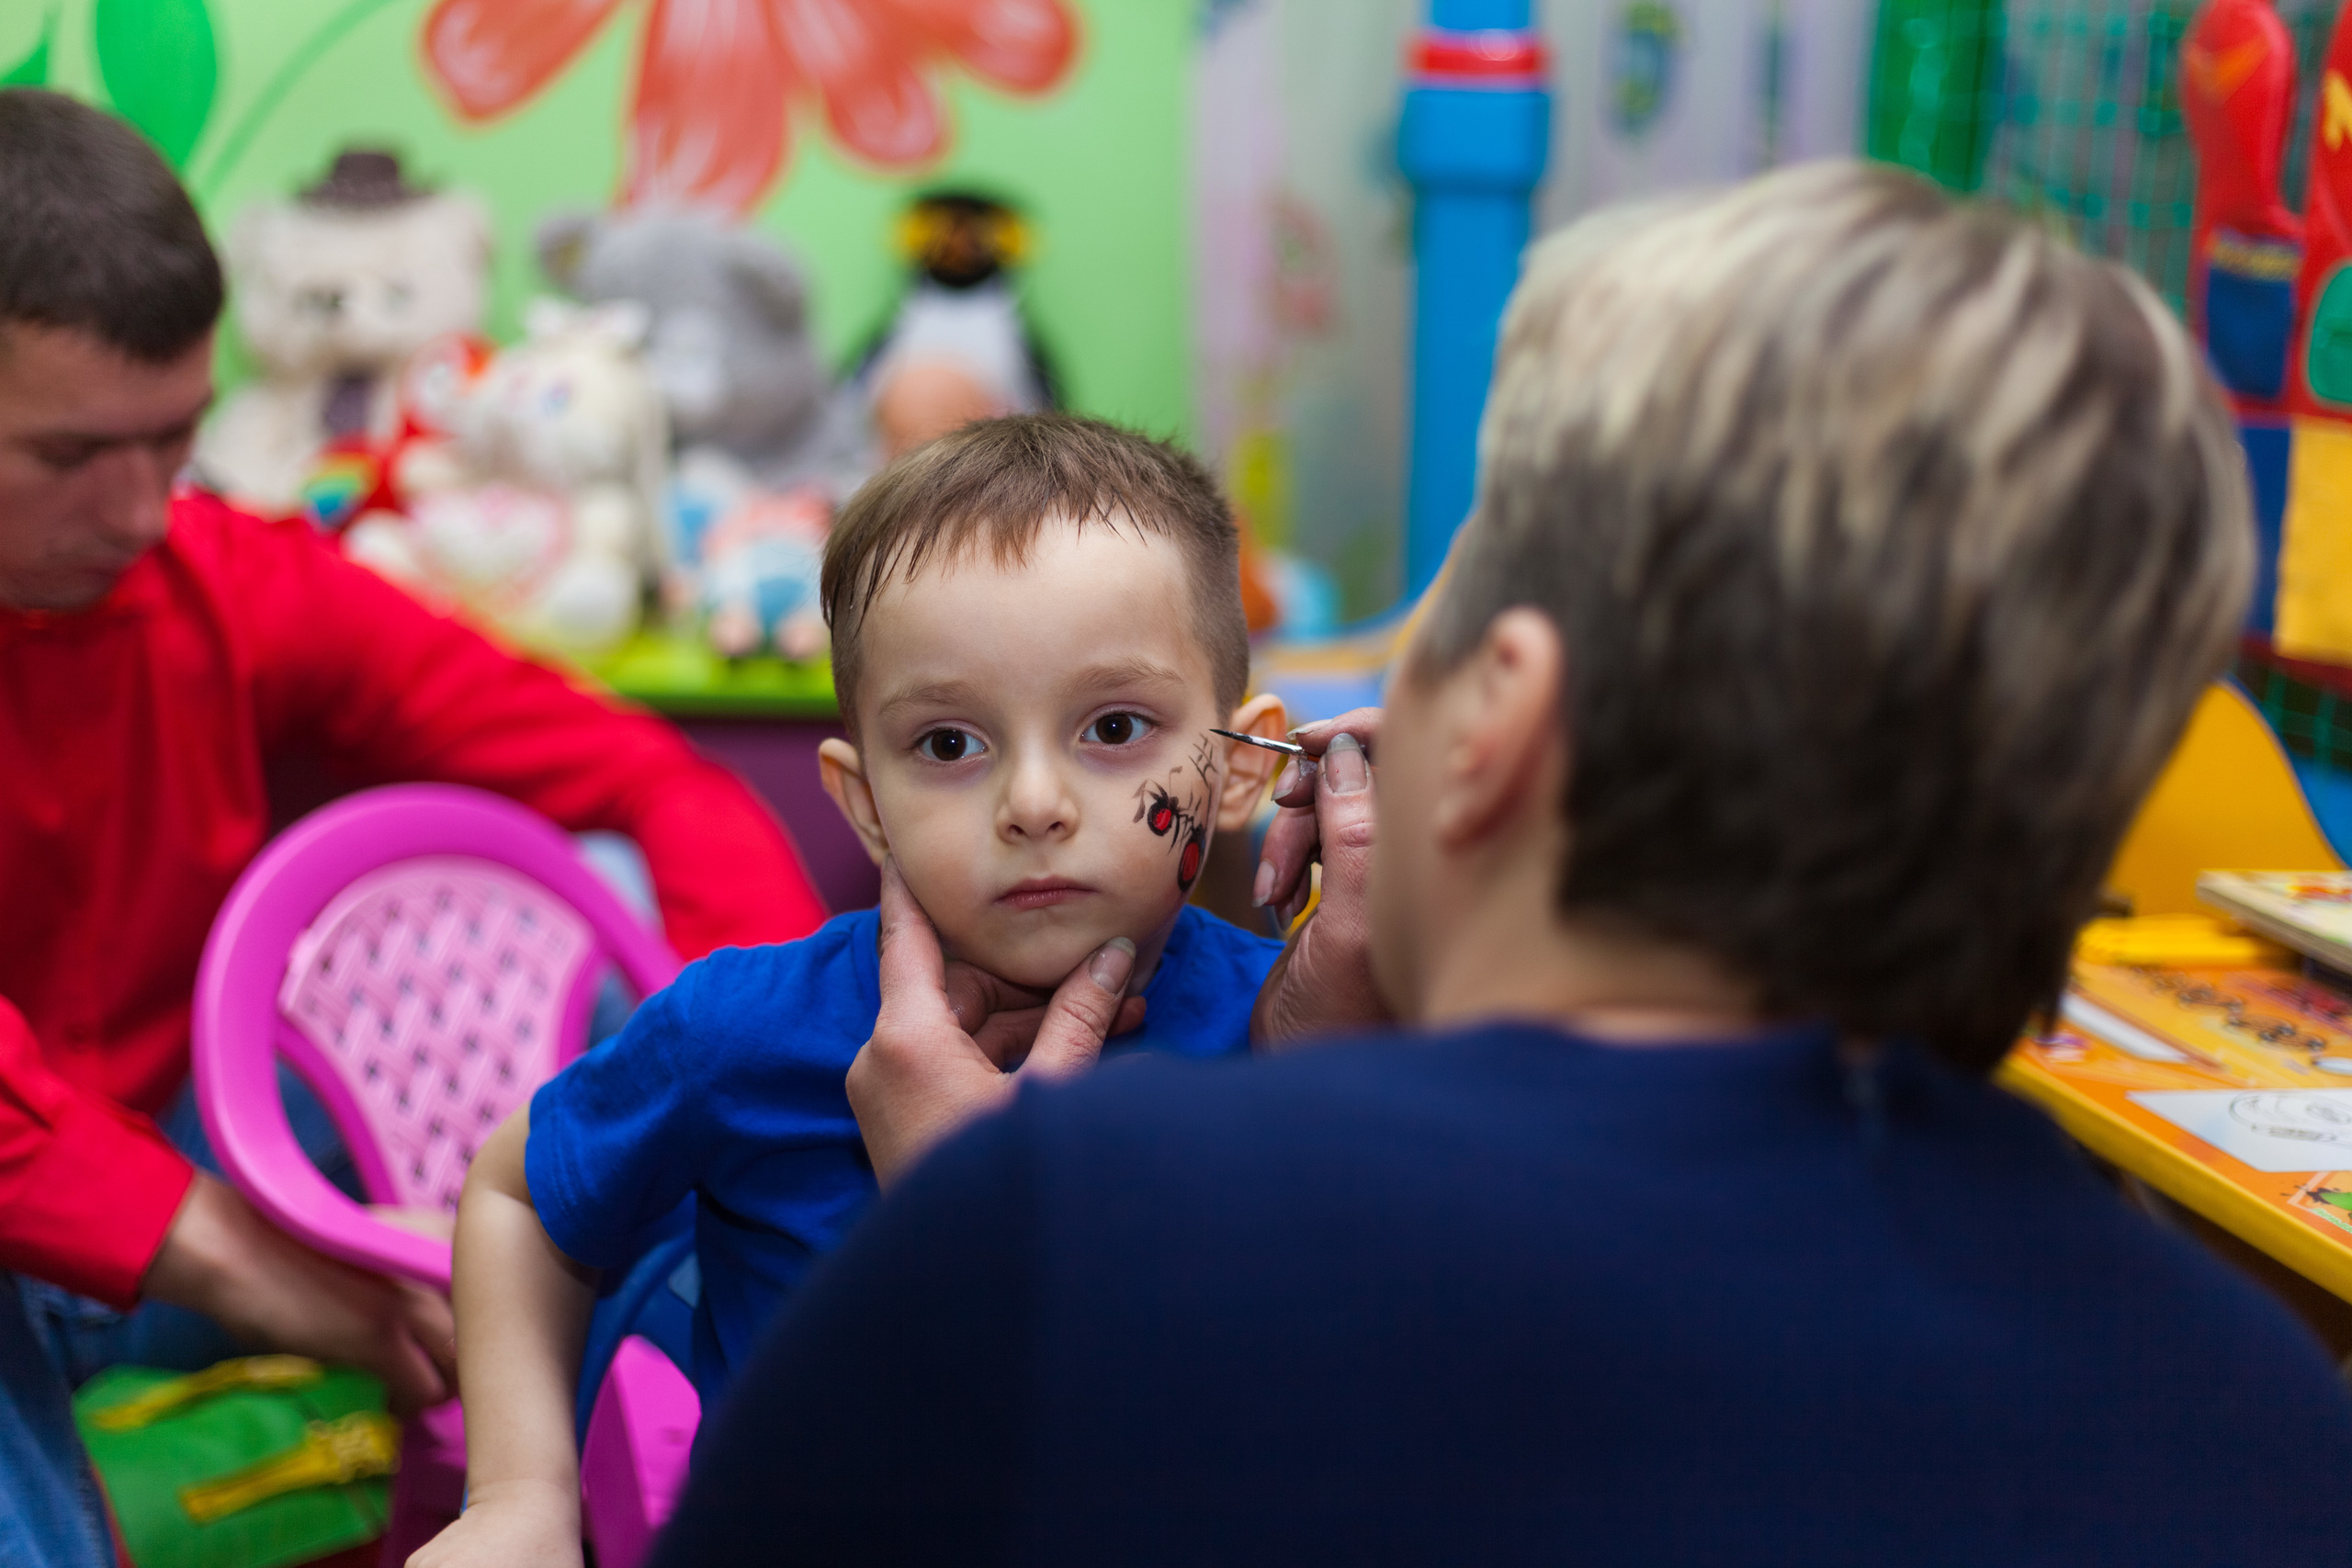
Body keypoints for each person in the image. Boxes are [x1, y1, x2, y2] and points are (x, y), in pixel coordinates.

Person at [648, 163, 2352, 1565]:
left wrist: (962, 1287)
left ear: (1498, 724)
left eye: (1429, 645)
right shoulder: (2275, 1423)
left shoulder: (1065, 1246)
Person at [0, 88, 827, 1568]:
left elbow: (641, 777)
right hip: (80, 1217)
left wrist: (770, 1056)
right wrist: (256, 1266)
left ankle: (690, 1443)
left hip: (181, 1161)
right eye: (69, 455)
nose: (137, 505)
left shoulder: (221, 577)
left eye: (175, 435)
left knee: (624, 932)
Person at [413, 413, 1293, 1568]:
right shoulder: (743, 1030)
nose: (1033, 802)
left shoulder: (1300, 1039)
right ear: (864, 799)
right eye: (947, 745)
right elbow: (518, 1196)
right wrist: (516, 1498)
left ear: (1237, 770)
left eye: (1113, 728)